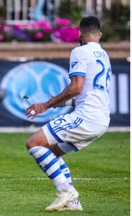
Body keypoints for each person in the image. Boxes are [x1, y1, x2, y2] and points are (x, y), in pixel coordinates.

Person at [25, 16, 111, 211]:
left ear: (79, 34)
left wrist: (46, 105)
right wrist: (62, 102)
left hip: (87, 117)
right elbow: (90, 92)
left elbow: (76, 87)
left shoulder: (79, 51)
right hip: (101, 119)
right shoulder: (104, 56)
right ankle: (72, 203)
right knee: (52, 151)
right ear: (100, 35)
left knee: (34, 143)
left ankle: (65, 191)